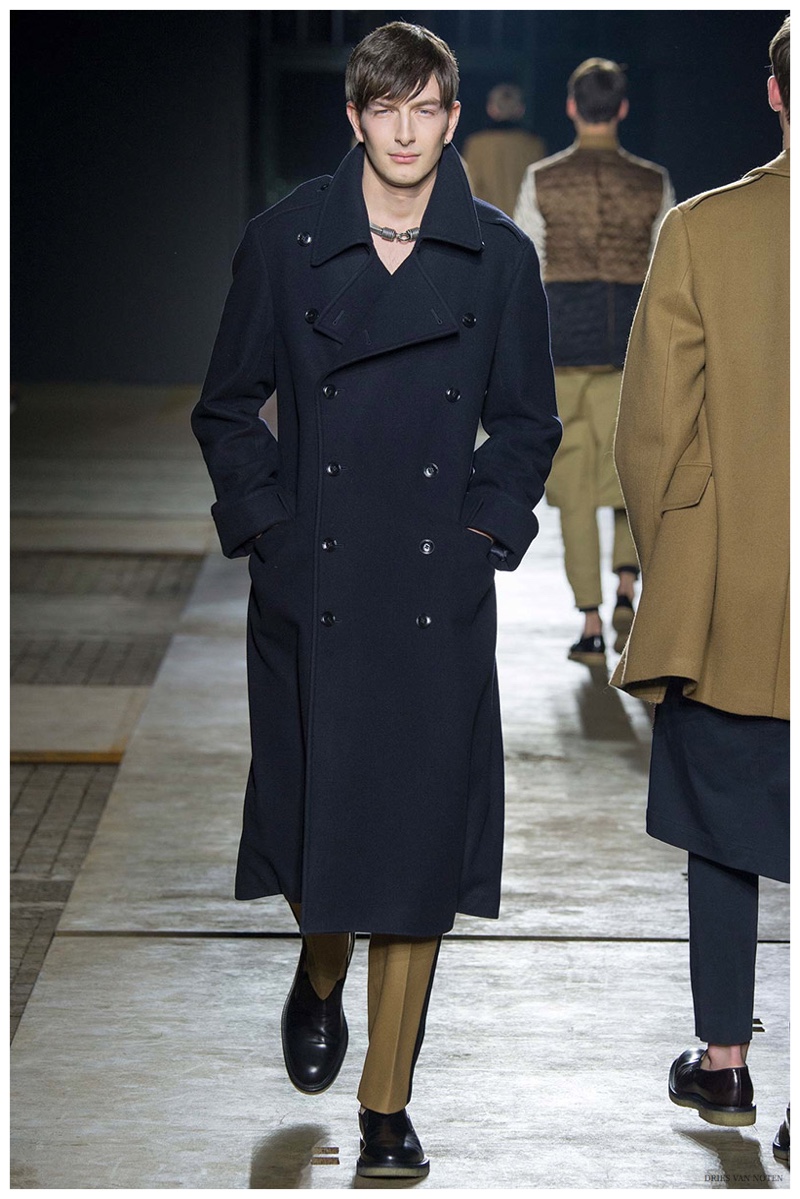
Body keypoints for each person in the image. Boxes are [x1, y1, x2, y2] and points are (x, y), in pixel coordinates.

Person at [192, 20, 560, 1180]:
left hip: (432, 595)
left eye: (425, 108)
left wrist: (482, 532)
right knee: (328, 819)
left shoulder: (498, 259)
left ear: (450, 117)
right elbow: (226, 404)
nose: (405, 131)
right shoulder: (284, 240)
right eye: (384, 109)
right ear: (354, 116)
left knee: (416, 846)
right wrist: (272, 530)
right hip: (319, 584)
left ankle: (386, 1101)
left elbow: (527, 421)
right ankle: (319, 967)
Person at [611, 16, 789, 1146]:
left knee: (724, 818)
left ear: (773, 93)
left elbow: (650, 434)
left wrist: (684, 552)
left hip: (738, 592)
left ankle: (724, 1062)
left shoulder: (702, 230)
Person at [514, 59, 674, 665]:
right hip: (632, 352)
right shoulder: (652, 182)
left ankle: (589, 621)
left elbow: (526, 269)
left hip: (562, 353)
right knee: (632, 473)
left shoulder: (542, 179)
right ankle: (627, 587)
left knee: (575, 487)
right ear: (623, 108)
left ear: (571, 107)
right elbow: (665, 272)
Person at [461, 82, 546, 216]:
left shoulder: (475, 145)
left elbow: (469, 190)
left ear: (490, 109)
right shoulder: (534, 145)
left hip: (486, 223)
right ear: (521, 110)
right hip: (524, 225)